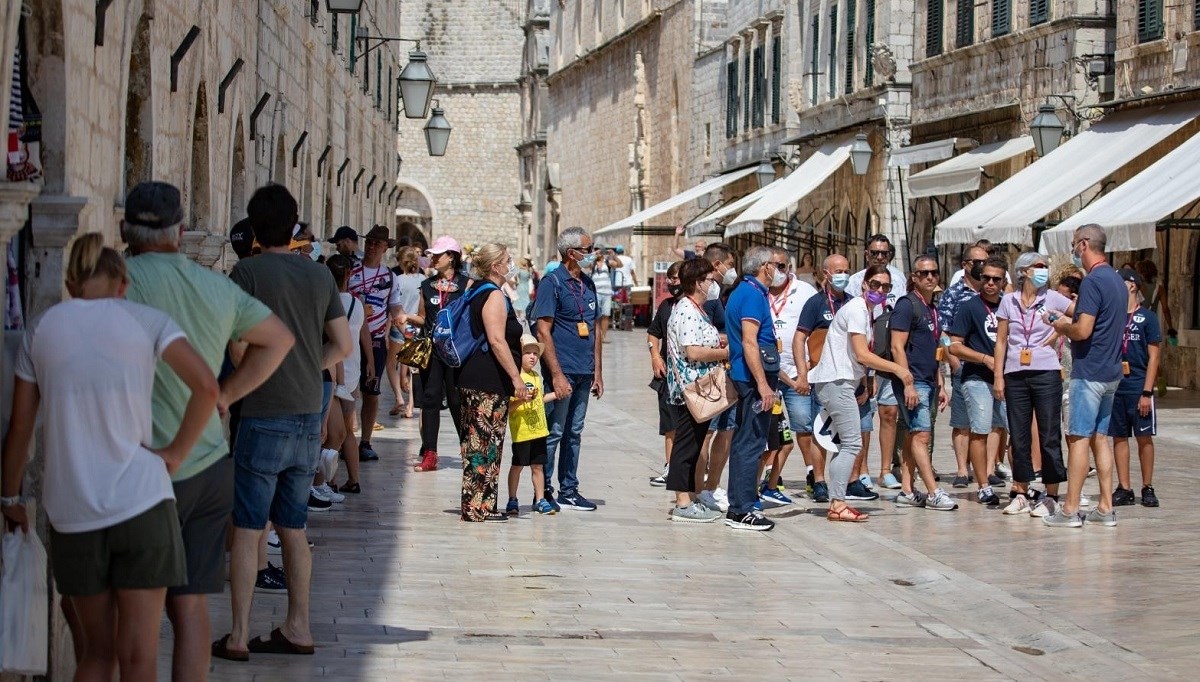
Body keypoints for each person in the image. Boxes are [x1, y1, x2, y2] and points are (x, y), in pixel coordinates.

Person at [2, 233, 218, 681]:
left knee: (97, 655)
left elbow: (20, 429)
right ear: (122, 283)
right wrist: (175, 454)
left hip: (73, 511)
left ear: (71, 281)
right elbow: (207, 388)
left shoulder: (42, 328)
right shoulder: (147, 321)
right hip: (142, 501)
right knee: (139, 656)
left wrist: (9, 501)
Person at [121, 181, 294, 680]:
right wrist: (226, 394)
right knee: (191, 604)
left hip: (143, 466)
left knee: (142, 608)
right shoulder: (214, 286)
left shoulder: (118, 283)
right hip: (208, 464)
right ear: (179, 232)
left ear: (125, 230)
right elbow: (277, 340)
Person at [214, 184, 353, 661]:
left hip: (260, 412)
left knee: (250, 527)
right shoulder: (318, 276)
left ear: (254, 228)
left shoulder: (246, 273)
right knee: (293, 525)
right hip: (305, 412)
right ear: (294, 225)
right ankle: (298, 626)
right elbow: (343, 346)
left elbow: (234, 345)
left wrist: (258, 368)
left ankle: (236, 635)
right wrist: (306, 365)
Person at [809, 265, 914, 522]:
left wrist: (866, 382)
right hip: (836, 381)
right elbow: (862, 354)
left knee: (846, 443)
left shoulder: (865, 312)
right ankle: (837, 502)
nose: (880, 290)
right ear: (865, 284)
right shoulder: (857, 308)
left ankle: (837, 499)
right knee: (852, 443)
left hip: (844, 381)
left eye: (886, 287)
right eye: (875, 284)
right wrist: (900, 371)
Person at [1042, 225, 1127, 528]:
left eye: (1074, 244)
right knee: (1100, 439)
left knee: (1078, 438)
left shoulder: (1092, 282)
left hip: (1089, 371)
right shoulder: (1117, 281)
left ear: (1084, 244)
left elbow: (1082, 330)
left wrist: (1059, 323)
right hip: (1111, 371)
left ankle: (1069, 510)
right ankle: (1105, 507)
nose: (1073, 250)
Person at [992, 252, 1072, 516]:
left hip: (1046, 371)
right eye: (1039, 267)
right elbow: (1001, 340)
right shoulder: (1008, 301)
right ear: (1024, 271)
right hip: (1015, 372)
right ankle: (1021, 490)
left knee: (1049, 432)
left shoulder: (1052, 298)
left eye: (1045, 267)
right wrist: (998, 376)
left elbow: (1080, 316)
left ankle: (1051, 495)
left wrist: (1060, 329)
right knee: (1019, 434)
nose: (1044, 271)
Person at [533, 226, 604, 511]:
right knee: (556, 431)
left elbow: (596, 329)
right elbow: (542, 331)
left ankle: (569, 488)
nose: (592, 254)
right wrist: (557, 374)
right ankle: (545, 489)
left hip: (584, 371)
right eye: (588, 249)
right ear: (571, 253)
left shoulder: (588, 283)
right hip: (562, 370)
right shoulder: (553, 283)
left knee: (575, 431)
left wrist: (598, 372)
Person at [456, 244, 529, 522]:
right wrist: (515, 377)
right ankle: (477, 507)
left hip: (476, 379)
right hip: (485, 381)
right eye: (508, 260)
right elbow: (497, 340)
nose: (512, 264)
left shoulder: (476, 290)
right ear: (496, 266)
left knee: (483, 444)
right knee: (482, 444)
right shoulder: (493, 295)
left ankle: (483, 505)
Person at [887, 255, 956, 511]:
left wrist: (939, 381)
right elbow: (896, 346)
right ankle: (933, 491)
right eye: (924, 273)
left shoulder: (932, 308)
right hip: (913, 381)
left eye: (934, 273)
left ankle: (906, 489)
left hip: (928, 380)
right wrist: (908, 383)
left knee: (911, 435)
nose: (930, 277)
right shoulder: (907, 305)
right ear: (914, 277)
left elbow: (933, 349)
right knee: (922, 435)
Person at [723, 246, 782, 531]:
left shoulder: (748, 293)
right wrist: (762, 385)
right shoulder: (751, 295)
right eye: (775, 264)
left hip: (751, 377)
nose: (778, 269)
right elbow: (750, 342)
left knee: (746, 442)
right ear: (764, 267)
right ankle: (742, 508)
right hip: (753, 380)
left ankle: (740, 504)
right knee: (752, 443)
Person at [664, 258, 728, 522]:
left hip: (700, 387)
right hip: (691, 388)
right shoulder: (688, 310)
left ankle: (689, 496)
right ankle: (682, 502)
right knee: (686, 446)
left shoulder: (696, 309)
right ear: (698, 283)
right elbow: (692, 350)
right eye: (710, 280)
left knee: (693, 443)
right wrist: (725, 352)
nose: (713, 285)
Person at [402, 236, 470, 472]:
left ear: (451, 256)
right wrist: (407, 317)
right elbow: (423, 317)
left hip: (456, 353)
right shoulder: (427, 285)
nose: (433, 258)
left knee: (456, 400)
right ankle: (429, 453)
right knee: (429, 399)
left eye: (438, 255)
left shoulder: (467, 285)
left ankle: (468, 449)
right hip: (432, 351)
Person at [847, 234, 908, 491]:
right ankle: (862, 469)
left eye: (884, 253)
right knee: (864, 414)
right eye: (875, 253)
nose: (880, 257)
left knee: (889, 412)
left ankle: (885, 470)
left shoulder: (899, 278)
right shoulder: (854, 281)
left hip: (888, 355)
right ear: (866, 254)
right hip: (864, 355)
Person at [947, 256, 1009, 507]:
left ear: (1005, 281)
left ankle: (1010, 481)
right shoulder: (970, 307)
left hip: (1006, 378)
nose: (990, 283)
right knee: (980, 430)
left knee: (1005, 428)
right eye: (986, 278)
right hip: (976, 378)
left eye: (996, 279)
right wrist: (984, 358)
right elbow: (955, 346)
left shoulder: (1009, 306)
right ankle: (983, 485)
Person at [792, 254, 853, 503]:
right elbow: (799, 338)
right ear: (826, 274)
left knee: (850, 433)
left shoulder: (852, 303)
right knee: (822, 430)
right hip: (824, 378)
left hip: (849, 377)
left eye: (846, 270)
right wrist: (803, 373)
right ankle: (819, 481)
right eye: (838, 270)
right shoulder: (815, 303)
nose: (843, 275)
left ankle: (849, 480)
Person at [762, 247, 816, 505]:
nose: (777, 271)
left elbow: (818, 330)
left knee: (804, 425)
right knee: (770, 430)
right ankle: (772, 477)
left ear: (790, 268)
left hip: (798, 372)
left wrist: (810, 363)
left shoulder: (805, 292)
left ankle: (812, 474)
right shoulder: (759, 290)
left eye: (782, 266)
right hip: (768, 373)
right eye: (773, 266)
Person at [347, 225, 402, 462]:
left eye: (376, 244)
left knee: (371, 392)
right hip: (350, 338)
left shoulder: (390, 277)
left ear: (384, 248)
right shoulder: (351, 271)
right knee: (348, 390)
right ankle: (345, 438)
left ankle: (366, 441)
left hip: (377, 340)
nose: (371, 247)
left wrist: (403, 323)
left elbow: (395, 307)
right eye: (368, 242)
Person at [1110, 268, 1162, 508]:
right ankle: (1124, 487)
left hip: (1139, 386)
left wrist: (1147, 392)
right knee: (1119, 437)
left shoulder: (1148, 318)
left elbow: (1154, 357)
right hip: (1115, 386)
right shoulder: (1113, 315)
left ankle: (1147, 486)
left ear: (1132, 285)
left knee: (1144, 437)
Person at [938, 244, 988, 488]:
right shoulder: (953, 294)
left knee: (989, 421)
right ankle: (961, 469)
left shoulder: (993, 292)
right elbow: (944, 331)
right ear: (965, 265)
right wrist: (954, 361)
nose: (981, 266)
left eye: (985, 261)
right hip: (963, 365)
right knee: (962, 421)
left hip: (989, 368)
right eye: (977, 262)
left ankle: (986, 470)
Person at [326, 254, 375, 494]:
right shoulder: (357, 304)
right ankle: (353, 478)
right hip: (353, 371)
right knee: (347, 431)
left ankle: (329, 480)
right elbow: (365, 334)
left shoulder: (326, 302)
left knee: (329, 432)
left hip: (331, 370)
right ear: (349, 275)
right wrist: (371, 364)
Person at [695, 243, 738, 513]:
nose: (732, 270)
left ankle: (713, 486)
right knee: (707, 434)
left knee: (726, 431)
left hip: (726, 373)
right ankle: (699, 489)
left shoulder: (722, 294)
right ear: (717, 265)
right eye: (730, 264)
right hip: (708, 376)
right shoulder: (704, 299)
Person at [505, 334, 558, 516]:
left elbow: (540, 399)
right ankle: (512, 498)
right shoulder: (516, 377)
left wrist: (557, 395)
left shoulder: (537, 376)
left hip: (539, 430)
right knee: (518, 465)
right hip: (522, 432)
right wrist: (521, 400)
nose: (532, 357)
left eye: (535, 353)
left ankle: (540, 499)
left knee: (538, 466)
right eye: (528, 352)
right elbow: (509, 407)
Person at [646, 261, 685, 487]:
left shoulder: (704, 306)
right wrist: (655, 356)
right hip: (668, 374)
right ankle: (670, 466)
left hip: (691, 374)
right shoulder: (666, 306)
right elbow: (653, 334)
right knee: (670, 423)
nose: (672, 282)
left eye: (677, 278)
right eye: (670, 278)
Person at [388, 246, 423, 418]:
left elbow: (393, 306)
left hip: (398, 325)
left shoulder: (397, 280)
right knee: (413, 367)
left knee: (390, 364)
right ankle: (411, 406)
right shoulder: (424, 280)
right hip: (416, 326)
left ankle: (398, 398)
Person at [1134, 259, 1175, 397]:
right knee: (1153, 353)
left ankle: (1146, 383)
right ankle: (1160, 380)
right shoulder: (1160, 288)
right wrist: (1170, 327)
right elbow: (1165, 309)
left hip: (1139, 320)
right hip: (1153, 321)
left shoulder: (1140, 287)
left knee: (1140, 352)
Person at [592, 250, 615, 337]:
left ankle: (603, 336)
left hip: (607, 292)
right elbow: (582, 264)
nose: (598, 254)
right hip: (596, 292)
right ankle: (596, 334)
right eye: (597, 252)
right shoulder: (592, 263)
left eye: (600, 252)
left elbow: (619, 265)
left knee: (606, 314)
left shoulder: (607, 262)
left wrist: (614, 256)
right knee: (596, 314)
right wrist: (592, 255)